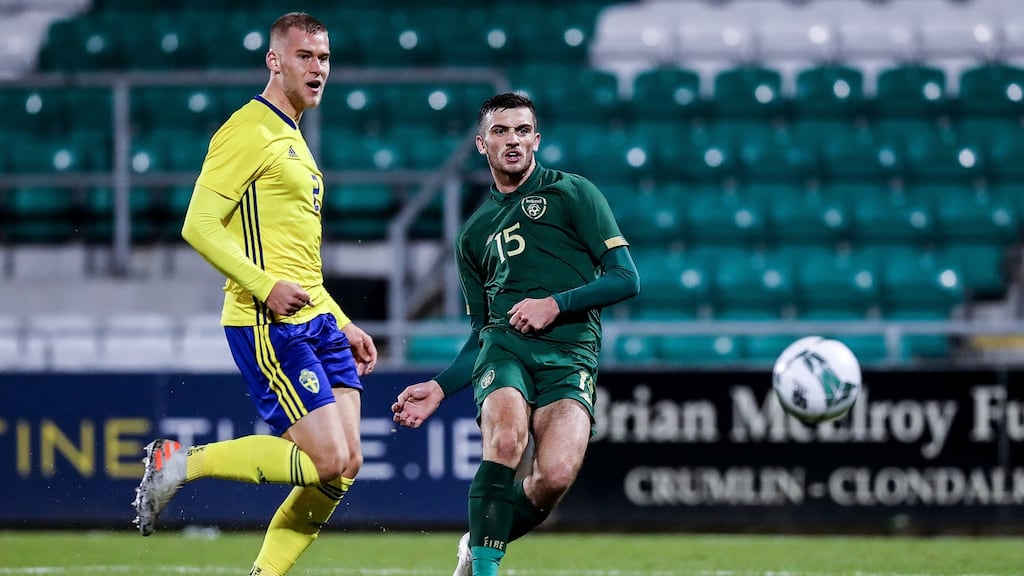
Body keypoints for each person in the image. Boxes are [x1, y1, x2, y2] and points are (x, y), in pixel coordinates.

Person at [132, 12, 378, 576]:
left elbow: (303, 265)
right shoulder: (249, 128)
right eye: (305, 57)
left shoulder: (295, 140)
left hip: (316, 320)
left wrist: (341, 320)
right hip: (268, 322)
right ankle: (179, 464)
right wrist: (264, 286)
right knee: (327, 458)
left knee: (346, 466)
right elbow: (198, 223)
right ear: (275, 61)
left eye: (325, 58)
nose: (318, 69)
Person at [391, 92, 640, 576]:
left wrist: (556, 304)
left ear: (536, 140)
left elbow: (626, 277)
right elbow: (482, 332)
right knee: (505, 441)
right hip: (506, 351)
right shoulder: (473, 235)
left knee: (554, 478)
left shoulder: (574, 193)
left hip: (572, 356)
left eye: (523, 131)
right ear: (482, 144)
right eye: (501, 131)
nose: (513, 140)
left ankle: (479, 539)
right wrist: (440, 386)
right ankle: (486, 569)